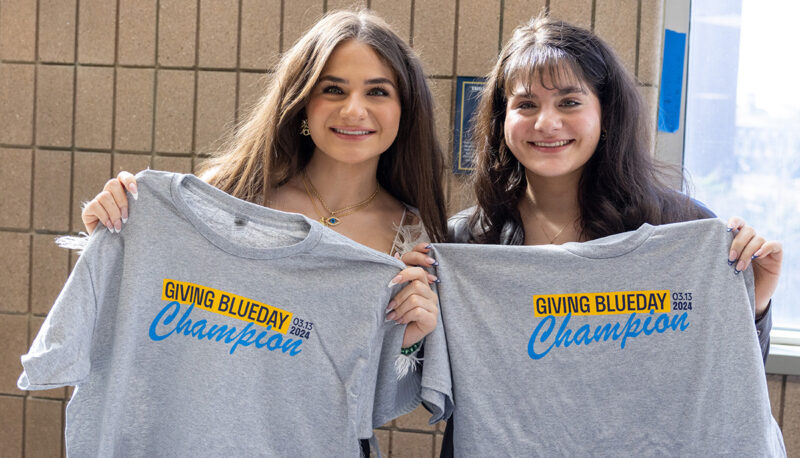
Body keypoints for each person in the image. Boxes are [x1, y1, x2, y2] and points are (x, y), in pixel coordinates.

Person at [397, 13, 782, 455]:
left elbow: (726, 376)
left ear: (605, 115)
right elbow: (414, 388)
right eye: (525, 105)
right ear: (502, 119)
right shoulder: (465, 243)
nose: (546, 123)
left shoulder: (679, 227)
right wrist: (409, 329)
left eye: (569, 102)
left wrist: (753, 304)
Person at [76, 9, 445, 455]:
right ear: (303, 103)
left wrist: (404, 342)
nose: (354, 109)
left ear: (404, 111)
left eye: (377, 92)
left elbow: (369, 409)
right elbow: (136, 312)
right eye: (333, 89)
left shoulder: (414, 240)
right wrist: (111, 233)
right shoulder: (227, 197)